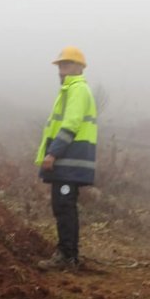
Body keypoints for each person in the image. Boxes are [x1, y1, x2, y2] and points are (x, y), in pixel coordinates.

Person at [35, 46, 98, 270]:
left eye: (67, 65)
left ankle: (67, 257)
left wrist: (53, 153)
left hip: (70, 161)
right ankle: (67, 254)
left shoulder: (77, 90)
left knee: (64, 207)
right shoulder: (69, 91)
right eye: (60, 66)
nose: (62, 70)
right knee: (62, 206)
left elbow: (70, 125)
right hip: (68, 161)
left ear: (80, 67)